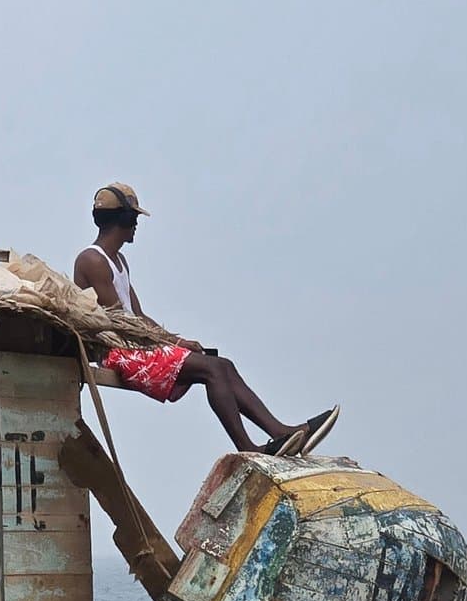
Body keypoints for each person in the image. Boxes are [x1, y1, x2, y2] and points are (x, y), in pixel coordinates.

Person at [73, 182, 339, 456]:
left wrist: (177, 341)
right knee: (211, 370)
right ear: (125, 218)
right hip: (120, 352)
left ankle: (281, 432)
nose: (137, 225)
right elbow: (120, 322)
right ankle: (248, 448)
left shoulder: (119, 262)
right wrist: (169, 344)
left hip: (136, 344)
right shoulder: (93, 260)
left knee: (223, 365)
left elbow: (138, 316)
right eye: (135, 218)